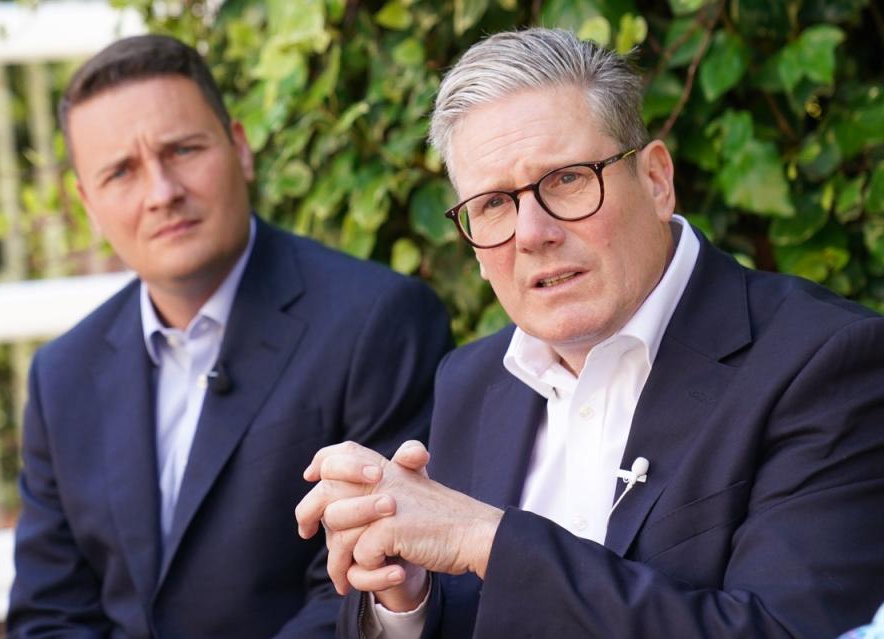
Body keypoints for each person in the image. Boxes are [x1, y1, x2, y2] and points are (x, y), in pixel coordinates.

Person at [296, 28, 884, 638]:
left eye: (567, 179)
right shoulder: (470, 381)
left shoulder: (825, 362)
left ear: (657, 180)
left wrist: (486, 541)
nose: (531, 233)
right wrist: (405, 598)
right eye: (494, 204)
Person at [7, 34, 452, 638]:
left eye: (183, 149)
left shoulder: (378, 322)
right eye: (121, 172)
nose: (161, 193)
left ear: (239, 148)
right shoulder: (62, 374)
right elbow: (51, 614)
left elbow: (357, 590)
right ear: (88, 204)